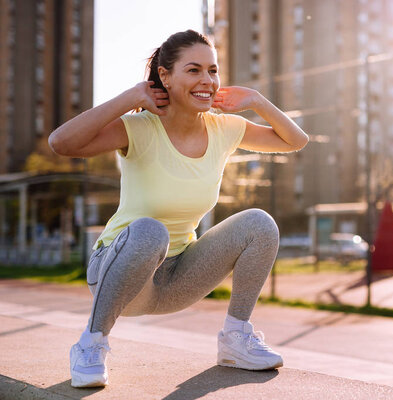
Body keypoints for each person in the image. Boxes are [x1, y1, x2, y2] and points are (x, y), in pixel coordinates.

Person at [48, 29, 309, 388]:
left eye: (213, 71)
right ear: (165, 77)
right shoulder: (139, 128)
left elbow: (296, 140)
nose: (207, 81)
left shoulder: (224, 129)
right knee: (149, 229)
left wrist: (257, 100)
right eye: (194, 70)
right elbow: (61, 143)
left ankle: (235, 340)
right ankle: (91, 344)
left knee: (259, 224)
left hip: (177, 278)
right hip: (118, 273)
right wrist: (129, 98)